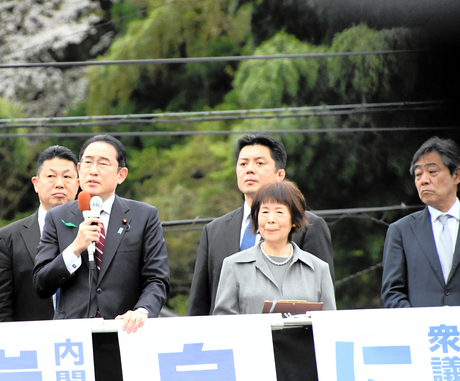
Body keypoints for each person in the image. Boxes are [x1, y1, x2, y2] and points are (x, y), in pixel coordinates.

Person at [188, 133, 335, 316]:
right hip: (229, 339)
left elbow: (322, 297)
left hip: (293, 337)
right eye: (243, 164)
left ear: (280, 174)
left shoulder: (309, 225)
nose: (249, 170)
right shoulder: (214, 231)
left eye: (259, 163)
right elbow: (199, 303)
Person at [34, 134, 170, 331]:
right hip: (72, 335)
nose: (93, 171)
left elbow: (157, 278)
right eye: (88, 163)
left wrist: (142, 311)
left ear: (121, 175)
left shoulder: (144, 216)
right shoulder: (57, 217)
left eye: (103, 164)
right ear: (79, 170)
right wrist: (74, 249)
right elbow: (41, 283)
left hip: (125, 330)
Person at [213, 181, 336, 315]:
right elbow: (224, 321)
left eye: (279, 212)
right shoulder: (234, 265)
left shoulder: (319, 269)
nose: (270, 219)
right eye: (264, 211)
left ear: (294, 220)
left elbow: (328, 324)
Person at [0, 145, 79, 322]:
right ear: (36, 184)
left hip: (81, 343)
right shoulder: (8, 239)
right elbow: (0, 309)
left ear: (78, 184)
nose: (59, 183)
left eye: (67, 177)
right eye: (51, 176)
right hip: (30, 344)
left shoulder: (92, 231)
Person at [382, 136, 460, 307]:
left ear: (456, 175)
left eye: (432, 172)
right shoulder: (401, 231)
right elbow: (392, 293)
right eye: (418, 174)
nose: (423, 180)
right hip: (424, 332)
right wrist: (416, 325)